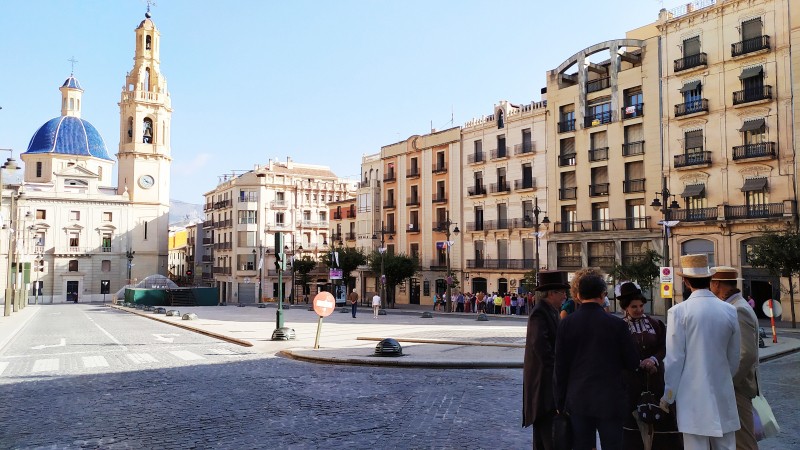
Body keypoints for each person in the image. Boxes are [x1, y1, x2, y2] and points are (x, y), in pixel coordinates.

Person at [660, 254, 741, 450]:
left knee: (696, 446)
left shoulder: (678, 312)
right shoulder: (729, 310)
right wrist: (722, 378)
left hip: (692, 395)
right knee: (726, 445)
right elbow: (734, 357)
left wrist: (668, 395)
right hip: (722, 390)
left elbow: (674, 359)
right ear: (709, 280)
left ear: (686, 282)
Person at [554, 271, 639, 450]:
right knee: (612, 445)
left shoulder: (566, 324)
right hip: (610, 398)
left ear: (577, 295)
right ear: (602, 296)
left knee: (582, 445)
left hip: (578, 399)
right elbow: (632, 362)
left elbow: (560, 367)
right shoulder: (618, 325)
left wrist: (560, 401)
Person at [618, 282, 681, 450]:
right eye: (634, 307)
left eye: (641, 305)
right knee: (633, 421)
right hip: (631, 382)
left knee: (661, 417)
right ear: (626, 307)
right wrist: (638, 363)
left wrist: (653, 359)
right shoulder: (619, 327)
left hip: (656, 379)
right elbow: (618, 352)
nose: (639, 309)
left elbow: (664, 346)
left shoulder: (655, 324)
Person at [711, 267, 759, 450]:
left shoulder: (737, 309)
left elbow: (746, 354)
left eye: (710, 283)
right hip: (736, 387)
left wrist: (728, 383)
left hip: (737, 388)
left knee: (743, 442)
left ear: (716, 284)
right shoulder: (733, 306)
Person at [523, 271, 570, 450]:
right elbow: (542, 348)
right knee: (547, 435)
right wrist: (558, 373)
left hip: (548, 384)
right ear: (551, 293)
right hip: (543, 386)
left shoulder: (551, 311)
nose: (565, 296)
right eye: (562, 292)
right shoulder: (540, 313)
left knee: (545, 438)